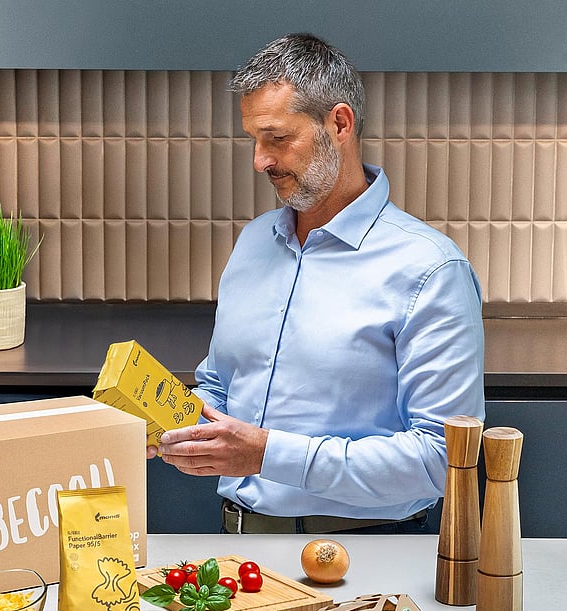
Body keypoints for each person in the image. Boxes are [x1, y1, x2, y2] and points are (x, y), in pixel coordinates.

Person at [148, 33, 485, 534]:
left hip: (367, 553)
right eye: (254, 140)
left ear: (340, 123)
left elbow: (443, 458)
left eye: (277, 138)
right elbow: (221, 382)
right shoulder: (254, 243)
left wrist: (267, 454)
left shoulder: (431, 269)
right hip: (240, 542)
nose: (259, 161)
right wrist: (173, 425)